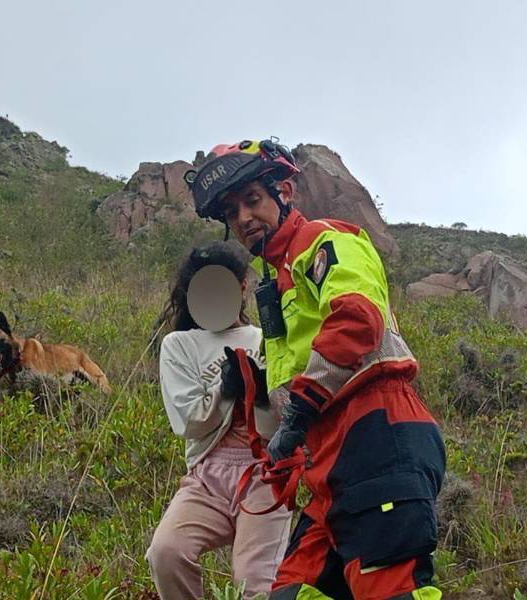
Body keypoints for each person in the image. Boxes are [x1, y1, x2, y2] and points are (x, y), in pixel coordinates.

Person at [187, 139, 446, 600]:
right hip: (331, 459)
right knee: (292, 591)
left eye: (253, 200)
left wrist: (297, 415)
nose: (244, 218)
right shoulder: (278, 279)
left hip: (377, 434)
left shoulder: (324, 240)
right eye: (231, 212)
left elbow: (358, 316)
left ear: (285, 192)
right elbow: (301, 372)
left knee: (388, 590)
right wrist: (258, 390)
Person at [146, 242, 291, 600]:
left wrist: (260, 393)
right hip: (207, 475)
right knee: (166, 552)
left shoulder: (267, 340)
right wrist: (225, 388)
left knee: (255, 581)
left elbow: (287, 416)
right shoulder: (179, 345)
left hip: (264, 471)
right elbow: (187, 421)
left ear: (242, 286)